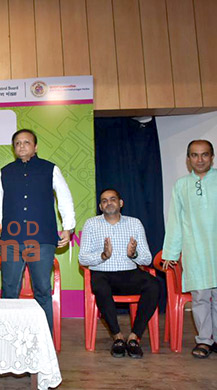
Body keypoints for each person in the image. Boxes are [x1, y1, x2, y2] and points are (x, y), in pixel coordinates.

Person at [0, 129, 75, 332]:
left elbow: (64, 197)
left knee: (43, 291)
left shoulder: (50, 169)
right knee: (9, 290)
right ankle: (8, 338)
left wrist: (68, 227)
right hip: (11, 240)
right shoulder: (6, 172)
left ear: (35, 147)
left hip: (41, 239)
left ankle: (44, 343)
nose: (21, 146)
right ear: (13, 148)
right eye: (17, 143)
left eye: (26, 142)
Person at [79, 189, 160, 358]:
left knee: (154, 284)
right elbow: (83, 258)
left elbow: (147, 259)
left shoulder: (134, 223)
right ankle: (117, 337)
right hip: (102, 273)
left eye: (112, 199)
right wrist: (103, 255)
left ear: (120, 203)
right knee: (100, 286)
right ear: (101, 206)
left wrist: (134, 254)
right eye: (104, 201)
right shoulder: (91, 224)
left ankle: (134, 337)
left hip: (129, 273)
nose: (109, 203)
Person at [163, 139, 217, 359]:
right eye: (194, 155)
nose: (200, 159)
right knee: (201, 296)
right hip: (195, 250)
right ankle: (205, 340)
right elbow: (176, 221)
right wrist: (170, 253)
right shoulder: (181, 185)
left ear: (212, 157)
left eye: (204, 155)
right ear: (188, 159)